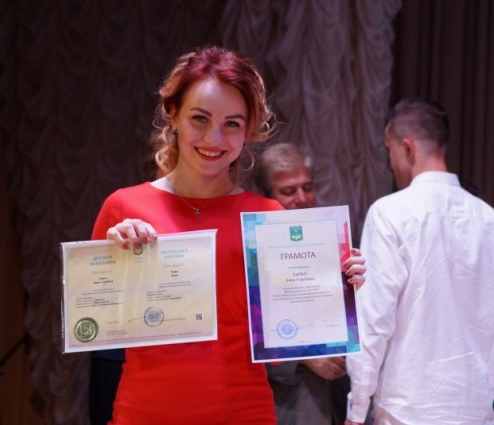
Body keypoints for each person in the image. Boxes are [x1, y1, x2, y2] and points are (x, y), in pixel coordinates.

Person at [90, 45, 366, 425]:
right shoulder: (124, 208)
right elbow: (99, 327)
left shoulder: (268, 218)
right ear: (173, 115)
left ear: (249, 130)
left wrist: (341, 285)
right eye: (199, 118)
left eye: (232, 124)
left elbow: (297, 333)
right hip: (144, 414)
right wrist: (110, 262)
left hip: (244, 413)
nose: (214, 137)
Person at [346, 98, 494, 425]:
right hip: (474, 413)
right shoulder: (488, 218)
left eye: (389, 150)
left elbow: (375, 323)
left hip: (406, 411)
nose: (390, 162)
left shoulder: (389, 213)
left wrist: (356, 409)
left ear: (408, 148)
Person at [254, 142, 349, 425]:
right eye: (288, 191)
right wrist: (303, 356)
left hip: (338, 397)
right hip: (287, 402)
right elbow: (241, 335)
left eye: (307, 187)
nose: (302, 198)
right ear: (265, 195)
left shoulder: (332, 239)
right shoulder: (249, 251)